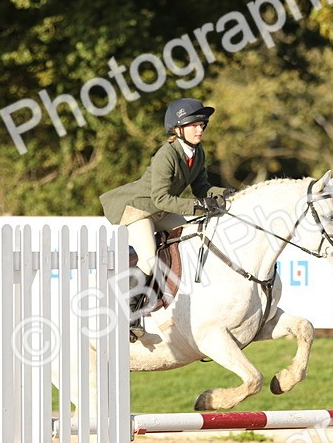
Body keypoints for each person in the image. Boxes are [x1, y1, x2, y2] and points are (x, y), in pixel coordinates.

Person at [100, 97, 235, 340]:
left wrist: (227, 194)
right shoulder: (167, 154)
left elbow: (202, 188)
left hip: (159, 209)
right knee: (149, 259)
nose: (200, 129)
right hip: (137, 208)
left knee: (192, 240)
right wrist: (199, 206)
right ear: (178, 128)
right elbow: (161, 198)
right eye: (194, 124)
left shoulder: (197, 153)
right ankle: (129, 312)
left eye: (202, 124)